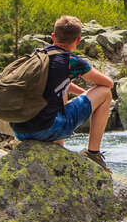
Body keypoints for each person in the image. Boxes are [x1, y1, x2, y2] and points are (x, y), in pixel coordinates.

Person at [9, 15, 114, 173]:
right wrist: (89, 96)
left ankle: (58, 150)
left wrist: (82, 93)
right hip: (47, 130)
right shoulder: (71, 61)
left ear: (53, 37)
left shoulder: (37, 57)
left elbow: (58, 83)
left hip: (20, 130)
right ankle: (93, 154)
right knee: (105, 93)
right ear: (77, 40)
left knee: (55, 97)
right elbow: (108, 83)